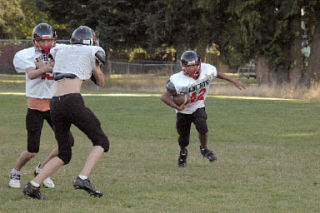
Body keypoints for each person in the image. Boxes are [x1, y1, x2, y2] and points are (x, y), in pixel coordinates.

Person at [23, 26, 110, 200]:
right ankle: (83, 178)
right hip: (72, 101)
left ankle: (33, 185)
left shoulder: (60, 49)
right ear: (91, 40)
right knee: (101, 141)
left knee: (64, 153)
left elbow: (55, 61)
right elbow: (101, 82)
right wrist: (96, 67)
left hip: (55, 103)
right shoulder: (92, 50)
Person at [9, 23, 71, 189]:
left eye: (49, 41)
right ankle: (15, 171)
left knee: (67, 142)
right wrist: (47, 68)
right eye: (42, 41)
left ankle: (42, 170)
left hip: (54, 106)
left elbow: (78, 49)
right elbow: (32, 73)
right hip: (35, 106)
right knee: (32, 150)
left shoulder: (60, 50)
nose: (46, 44)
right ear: (35, 41)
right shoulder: (26, 55)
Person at [160, 50, 245, 167]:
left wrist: (233, 81)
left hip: (198, 105)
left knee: (202, 127)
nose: (193, 68)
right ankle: (183, 153)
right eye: (189, 66)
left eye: (195, 65)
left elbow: (217, 74)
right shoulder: (177, 81)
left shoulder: (207, 70)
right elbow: (164, 97)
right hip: (183, 111)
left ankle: (204, 149)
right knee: (183, 139)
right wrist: (177, 107)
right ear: (184, 67)